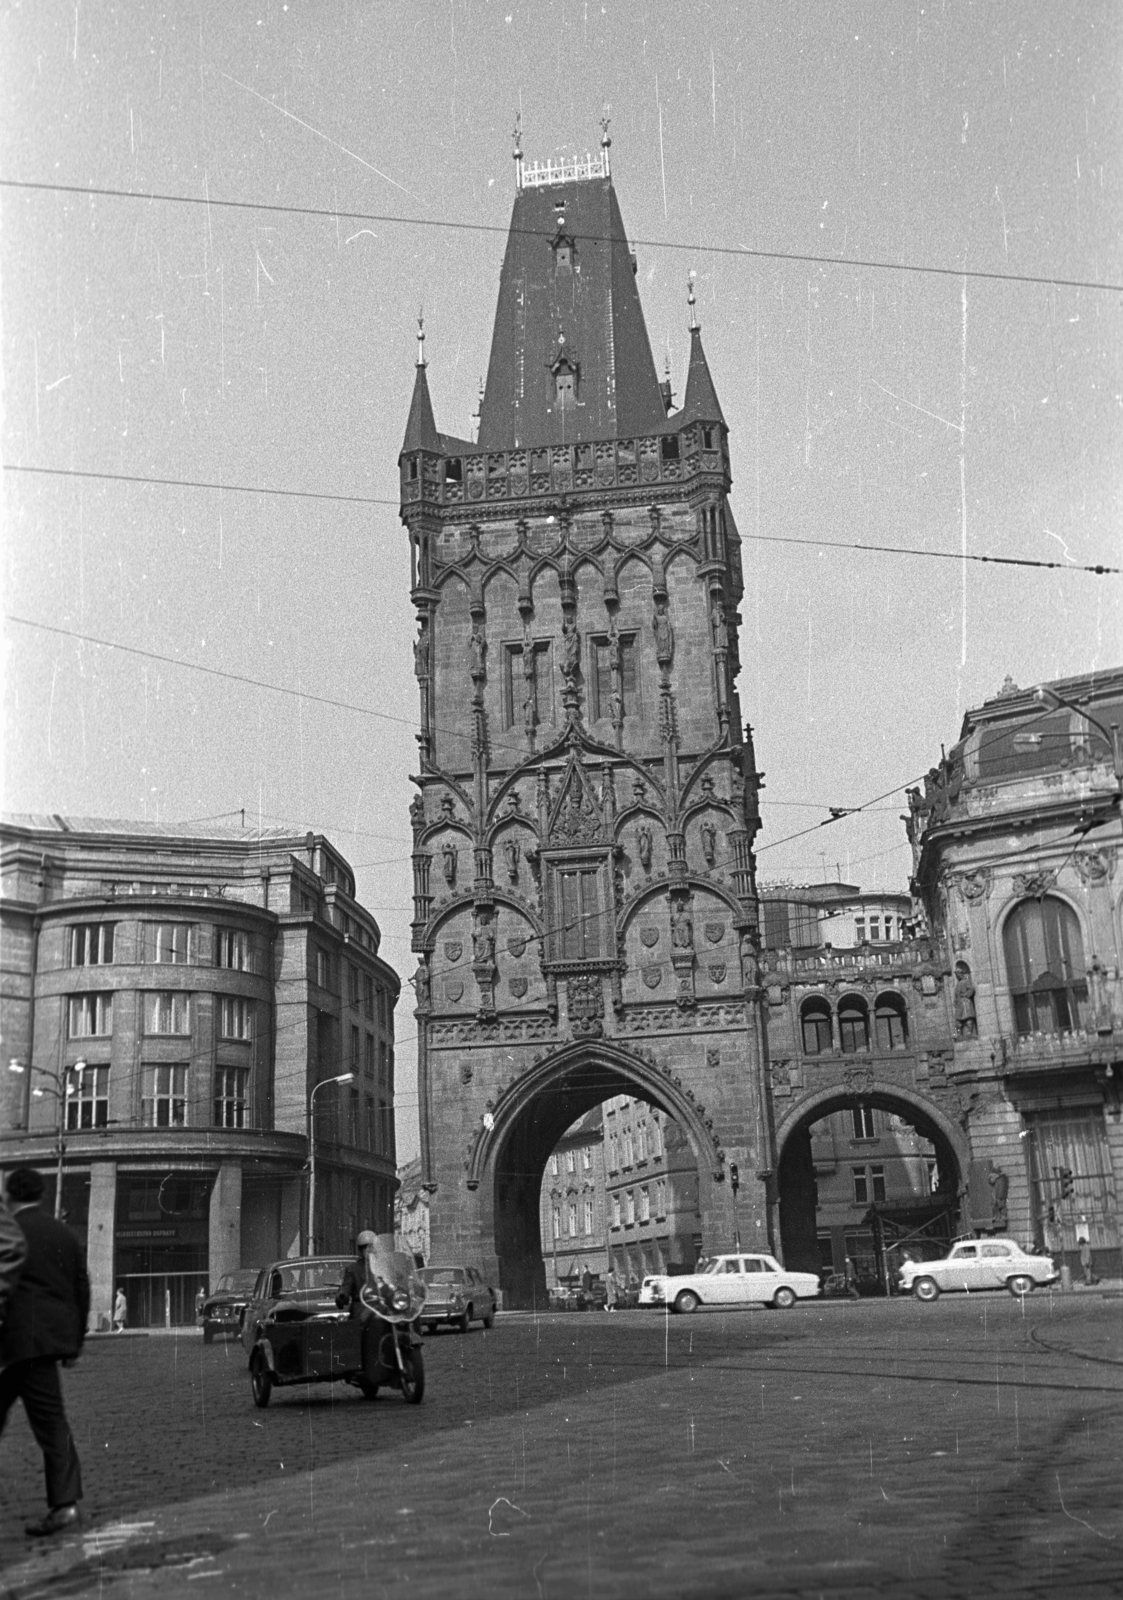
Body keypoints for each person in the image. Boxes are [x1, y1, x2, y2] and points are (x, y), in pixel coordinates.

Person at [0, 1166, 89, 1537]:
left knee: (48, 1424)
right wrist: (74, 1343)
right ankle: (65, 1504)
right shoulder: (63, 1234)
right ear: (40, 1193)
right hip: (44, 1346)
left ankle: (65, 1506)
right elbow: (80, 1291)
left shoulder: (8, 1231)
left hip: (11, 1344)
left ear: (9, 1195)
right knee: (52, 1424)